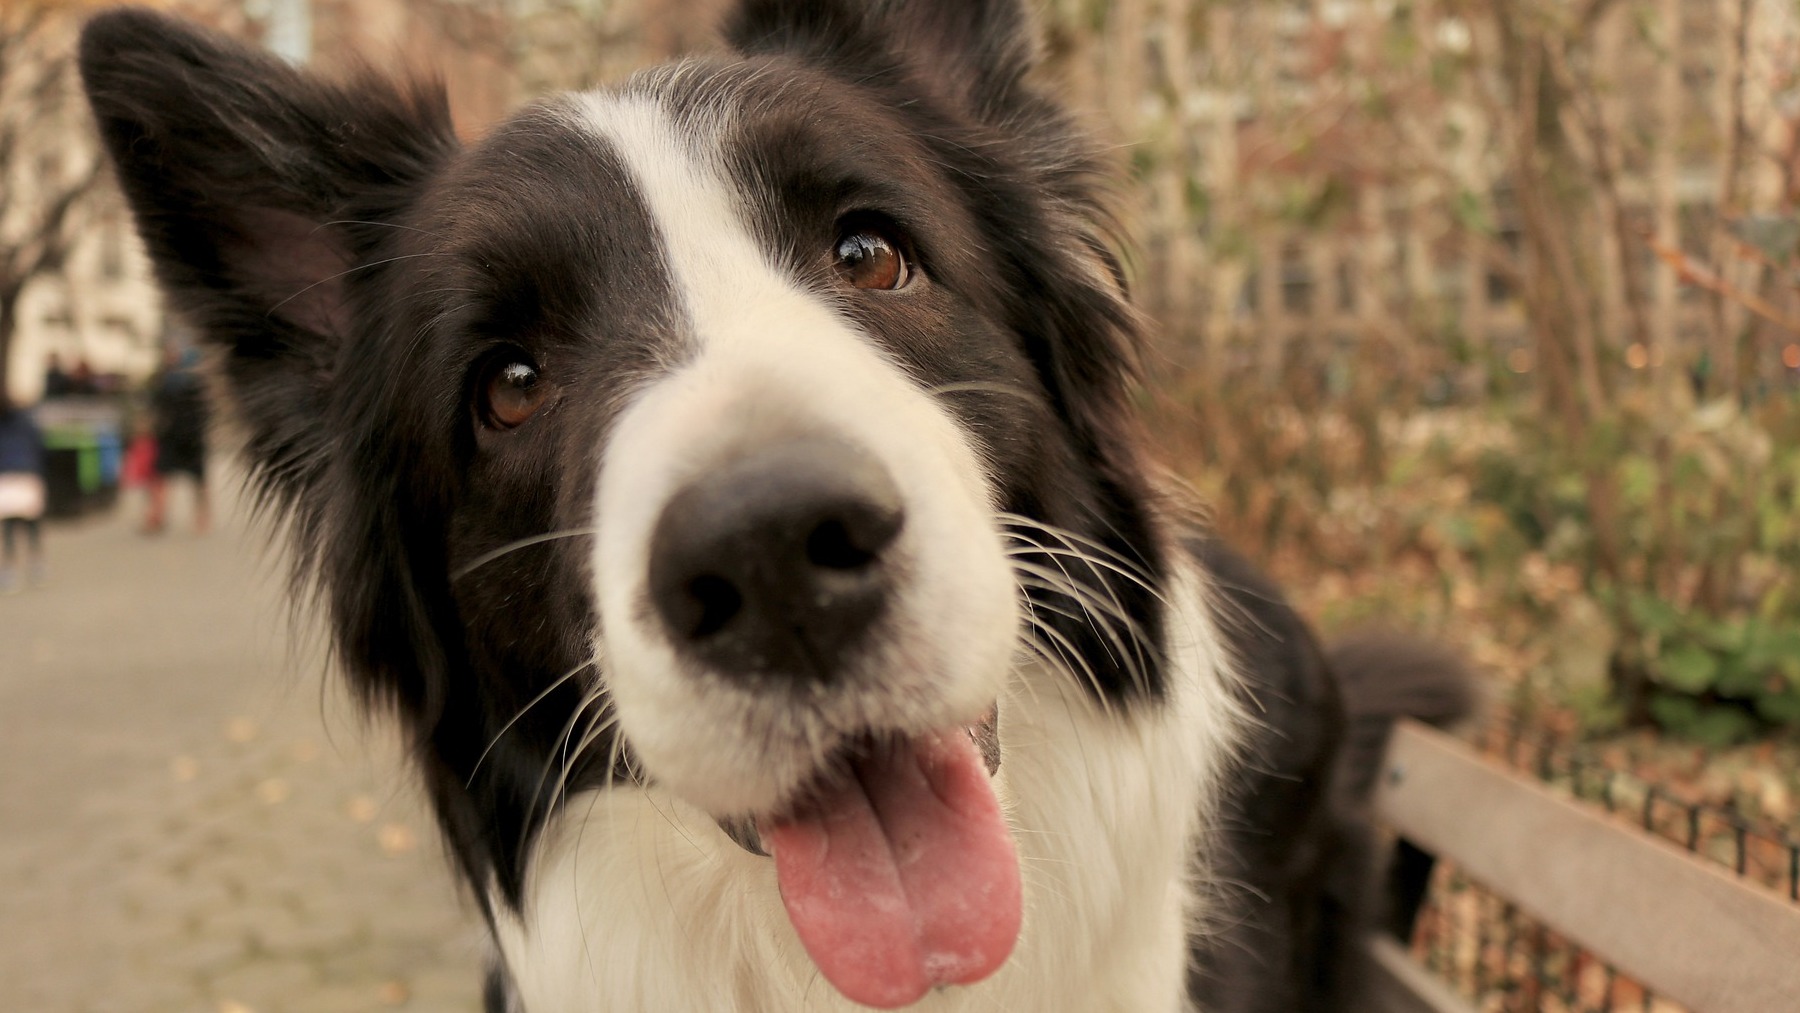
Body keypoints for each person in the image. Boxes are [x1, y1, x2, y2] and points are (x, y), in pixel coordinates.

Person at [143, 345, 210, 535]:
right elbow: (155, 406)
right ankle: (157, 515)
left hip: (192, 436)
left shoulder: (195, 380)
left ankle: (202, 517)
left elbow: (205, 409)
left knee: (198, 480)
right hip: (170, 436)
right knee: (160, 476)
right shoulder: (162, 379)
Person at [0, 399, 47, 592]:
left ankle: (11, 568)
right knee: (32, 523)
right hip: (27, 473)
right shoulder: (29, 423)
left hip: (8, 476)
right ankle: (36, 563)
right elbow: (40, 447)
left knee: (9, 526)